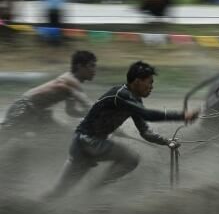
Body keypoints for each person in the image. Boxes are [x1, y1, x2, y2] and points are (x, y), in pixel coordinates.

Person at [45, 61, 199, 199]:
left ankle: (82, 196)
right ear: (137, 81)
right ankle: (92, 193)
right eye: (149, 83)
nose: (152, 87)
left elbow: (145, 132)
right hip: (86, 142)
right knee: (130, 159)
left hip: (85, 144)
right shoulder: (121, 95)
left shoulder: (134, 101)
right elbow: (147, 115)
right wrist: (182, 116)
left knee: (60, 191)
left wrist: (166, 142)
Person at [1, 50, 97, 137]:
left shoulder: (70, 83)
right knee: (4, 138)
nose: (94, 71)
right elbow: (88, 105)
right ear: (79, 66)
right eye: (91, 66)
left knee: (64, 137)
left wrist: (86, 114)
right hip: (24, 109)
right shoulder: (71, 82)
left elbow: (71, 111)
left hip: (37, 112)